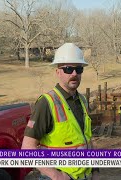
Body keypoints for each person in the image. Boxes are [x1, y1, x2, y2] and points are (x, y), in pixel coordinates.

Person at [22, 43, 99, 180]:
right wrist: (56, 176)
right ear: (58, 72)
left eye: (78, 69)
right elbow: (27, 149)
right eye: (68, 69)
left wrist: (94, 170)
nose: (74, 74)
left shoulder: (82, 100)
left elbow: (85, 139)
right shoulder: (47, 102)